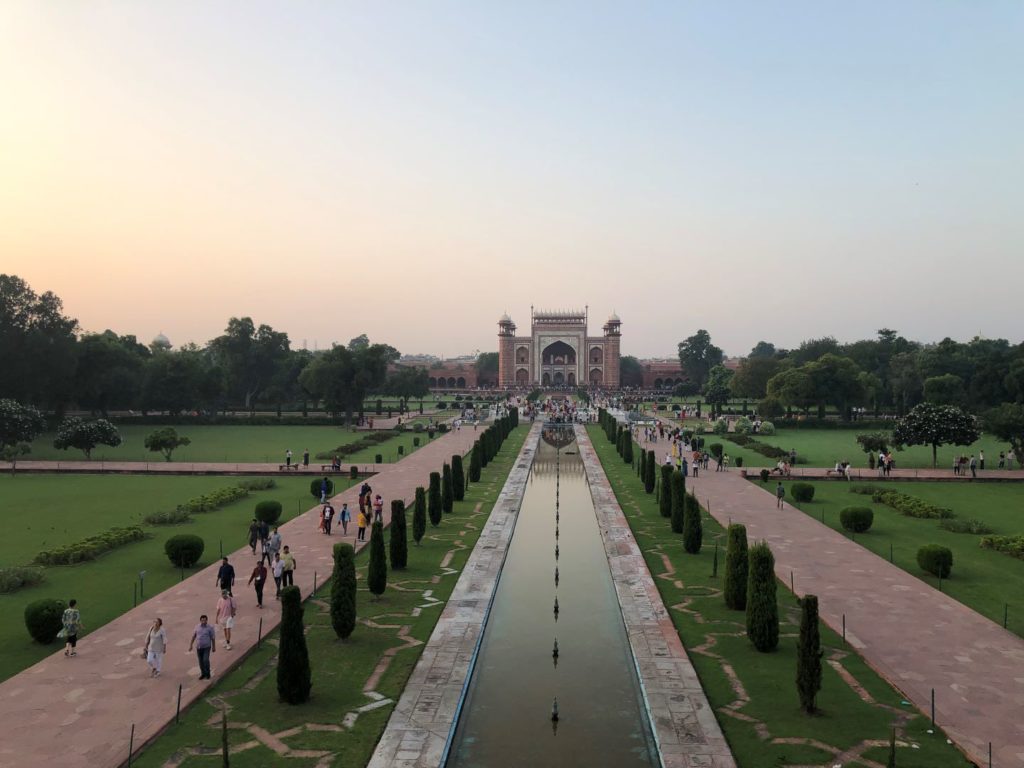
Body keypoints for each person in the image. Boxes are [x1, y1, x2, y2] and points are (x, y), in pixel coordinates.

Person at [188, 614, 217, 680]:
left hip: (207, 647)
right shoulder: (197, 627)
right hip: (199, 647)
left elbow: (213, 638)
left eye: (205, 620)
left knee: (205, 660)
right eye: (202, 620)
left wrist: (214, 647)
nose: (203, 621)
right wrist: (191, 645)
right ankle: (203, 673)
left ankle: (208, 673)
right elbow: (193, 636)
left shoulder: (210, 628)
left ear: (207, 620)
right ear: (200, 621)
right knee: (200, 662)